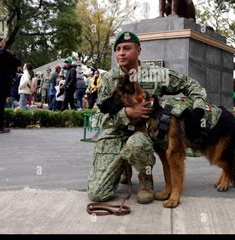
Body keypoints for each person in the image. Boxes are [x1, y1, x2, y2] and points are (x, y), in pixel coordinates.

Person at [88, 31, 208, 205]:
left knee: (138, 144)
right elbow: (97, 118)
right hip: (115, 134)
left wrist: (198, 108)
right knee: (98, 194)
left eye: (127, 48)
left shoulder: (157, 75)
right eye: (118, 49)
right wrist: (127, 114)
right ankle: (123, 167)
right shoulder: (107, 78)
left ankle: (145, 180)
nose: (121, 53)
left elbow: (191, 85)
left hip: (143, 134)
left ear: (139, 50)